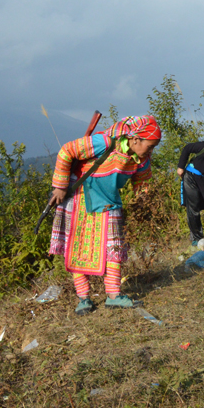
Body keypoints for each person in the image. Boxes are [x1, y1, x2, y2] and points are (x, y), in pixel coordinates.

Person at [48, 115, 161, 315]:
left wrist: (144, 204)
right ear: (135, 140)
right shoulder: (105, 143)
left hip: (110, 202)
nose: (151, 151)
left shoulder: (141, 160)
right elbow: (66, 151)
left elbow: (142, 184)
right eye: (150, 146)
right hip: (79, 199)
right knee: (77, 248)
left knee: (114, 248)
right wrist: (59, 187)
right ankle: (84, 299)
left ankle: (114, 295)